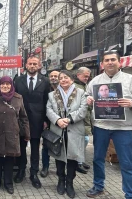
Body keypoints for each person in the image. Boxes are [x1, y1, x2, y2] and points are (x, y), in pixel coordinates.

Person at [85, 52, 132, 198]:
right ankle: (98, 186)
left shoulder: (131, 80)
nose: (110, 62)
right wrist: (88, 99)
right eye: (107, 60)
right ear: (102, 64)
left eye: (113, 60)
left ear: (119, 62)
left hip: (123, 128)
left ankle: (131, 194)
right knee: (97, 159)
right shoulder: (95, 81)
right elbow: (86, 95)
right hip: (101, 126)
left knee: (126, 162)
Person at [46, 70, 88, 198]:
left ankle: (69, 182)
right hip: (58, 129)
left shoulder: (81, 93)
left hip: (74, 128)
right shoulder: (52, 95)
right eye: (61, 78)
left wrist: (69, 119)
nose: (63, 80)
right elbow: (48, 109)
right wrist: (58, 120)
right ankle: (61, 180)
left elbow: (83, 109)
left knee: (72, 157)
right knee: (59, 157)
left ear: (72, 79)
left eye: (66, 77)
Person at [0, 76, 30, 194]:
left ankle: (8, 183)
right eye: (3, 84)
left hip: (12, 134)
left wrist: (27, 133)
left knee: (9, 161)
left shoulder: (18, 98)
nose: (5, 86)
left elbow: (23, 117)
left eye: (8, 84)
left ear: (11, 85)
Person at [13, 56, 51, 189]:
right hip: (21, 119)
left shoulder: (45, 81)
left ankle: (33, 173)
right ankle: (21, 170)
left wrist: (46, 120)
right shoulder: (18, 80)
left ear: (39, 65)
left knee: (35, 147)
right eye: (30, 64)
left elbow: (48, 101)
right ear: (26, 65)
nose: (32, 66)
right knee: (21, 146)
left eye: (35, 64)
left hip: (37, 120)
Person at [40, 70, 60, 178]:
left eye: (55, 76)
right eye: (51, 76)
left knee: (60, 145)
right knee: (47, 145)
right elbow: (43, 105)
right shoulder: (45, 88)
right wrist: (44, 120)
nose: (53, 78)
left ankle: (59, 168)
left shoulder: (64, 88)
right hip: (48, 121)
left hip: (62, 122)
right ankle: (45, 167)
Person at [73, 67, 92, 174]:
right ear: (78, 75)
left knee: (84, 140)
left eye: (88, 76)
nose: (86, 78)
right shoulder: (75, 86)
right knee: (81, 141)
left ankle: (80, 160)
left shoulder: (85, 85)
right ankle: (77, 162)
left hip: (86, 118)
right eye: (85, 76)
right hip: (79, 118)